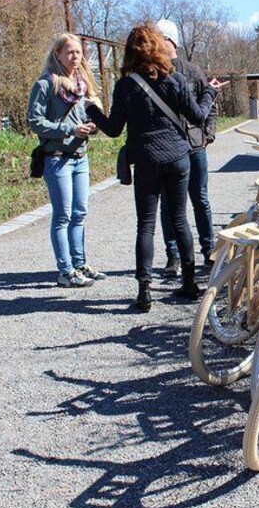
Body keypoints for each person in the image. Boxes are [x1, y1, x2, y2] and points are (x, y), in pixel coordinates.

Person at [85, 23, 225, 311]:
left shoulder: (126, 86)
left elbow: (112, 129)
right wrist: (209, 93)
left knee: (145, 225)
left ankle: (144, 291)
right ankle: (188, 283)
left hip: (146, 160)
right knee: (179, 220)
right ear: (160, 48)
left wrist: (91, 109)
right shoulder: (174, 81)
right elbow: (198, 116)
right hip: (178, 158)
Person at [28, 33, 107, 288]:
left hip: (80, 156)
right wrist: (68, 130)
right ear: (58, 54)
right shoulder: (45, 85)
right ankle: (65, 271)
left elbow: (83, 115)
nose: (76, 57)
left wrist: (90, 126)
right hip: (57, 158)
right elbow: (35, 122)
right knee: (62, 215)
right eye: (70, 52)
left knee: (80, 212)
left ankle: (80, 263)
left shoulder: (82, 85)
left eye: (78, 52)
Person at [155, 19, 218, 275]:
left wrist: (208, 135)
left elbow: (209, 104)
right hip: (168, 149)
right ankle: (173, 257)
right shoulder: (153, 72)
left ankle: (209, 251)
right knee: (168, 204)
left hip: (194, 148)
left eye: (160, 39)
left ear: (170, 41)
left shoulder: (192, 71)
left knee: (200, 200)